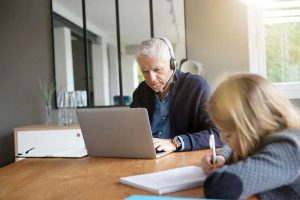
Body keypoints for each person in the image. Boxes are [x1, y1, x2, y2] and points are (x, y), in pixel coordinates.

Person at [201, 73, 300, 199]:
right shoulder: (275, 138)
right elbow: (233, 149)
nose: (222, 139)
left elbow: (220, 187)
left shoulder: (289, 149)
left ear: (250, 129)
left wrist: (219, 172)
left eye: (228, 135)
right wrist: (222, 157)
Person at [130, 37, 223, 152]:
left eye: (157, 70)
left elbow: (219, 133)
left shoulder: (197, 87)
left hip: (180, 158)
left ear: (172, 64)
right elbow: (131, 131)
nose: (151, 79)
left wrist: (176, 142)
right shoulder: (141, 92)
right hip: (146, 157)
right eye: (144, 71)